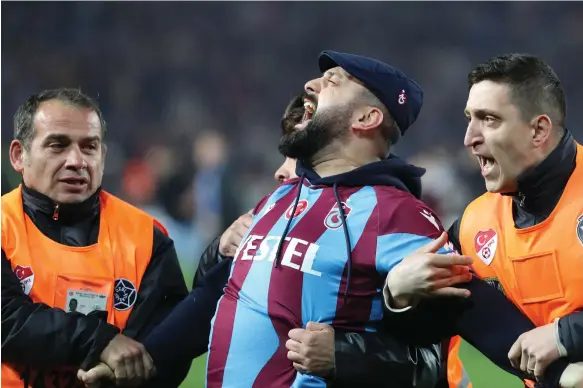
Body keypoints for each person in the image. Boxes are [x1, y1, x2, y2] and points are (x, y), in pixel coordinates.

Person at [79, 92, 443, 388]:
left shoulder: (392, 213)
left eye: (297, 162)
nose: (283, 172)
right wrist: (145, 358)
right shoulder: (276, 204)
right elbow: (215, 295)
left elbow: (433, 356)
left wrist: (345, 355)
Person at [383, 54, 583, 387]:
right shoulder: (475, 225)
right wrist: (399, 294)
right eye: (469, 118)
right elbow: (440, 326)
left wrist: (569, 334)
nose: (469, 137)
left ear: (539, 129)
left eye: (489, 119)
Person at [1, 88, 191, 388]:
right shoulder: (3, 225)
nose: (76, 160)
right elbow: (7, 319)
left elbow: (168, 344)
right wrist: (101, 342)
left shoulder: (146, 238)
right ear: (18, 155)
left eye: (89, 147)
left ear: (102, 155)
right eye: (57, 145)